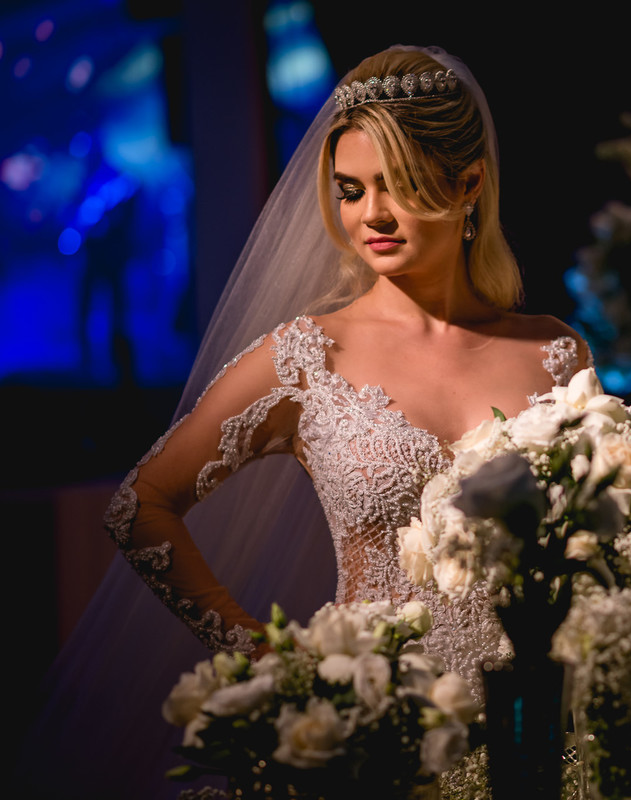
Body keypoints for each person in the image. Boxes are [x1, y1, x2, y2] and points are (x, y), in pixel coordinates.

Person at [22, 45, 588, 799]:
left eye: (400, 186)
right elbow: (141, 505)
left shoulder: (554, 353)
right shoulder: (307, 356)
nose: (370, 216)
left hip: (542, 736)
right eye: (351, 190)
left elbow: (597, 551)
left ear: (468, 184)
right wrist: (265, 657)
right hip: (374, 744)